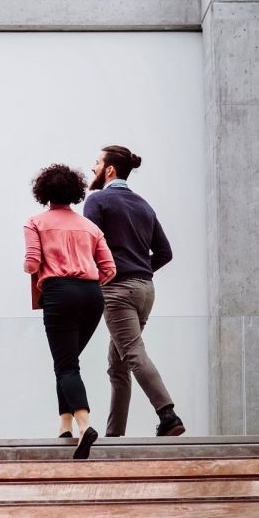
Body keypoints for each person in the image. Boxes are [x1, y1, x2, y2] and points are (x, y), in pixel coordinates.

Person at [83, 146, 184, 437]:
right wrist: (140, 268)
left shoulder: (97, 201)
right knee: (118, 365)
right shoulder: (143, 205)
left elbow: (90, 248)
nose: (93, 168)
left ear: (110, 170)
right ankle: (115, 435)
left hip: (116, 291)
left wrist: (113, 273)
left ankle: (168, 414)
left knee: (133, 353)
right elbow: (164, 252)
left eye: (97, 162)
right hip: (145, 290)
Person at [24, 164, 117, 459]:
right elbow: (110, 269)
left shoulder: (35, 223)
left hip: (59, 293)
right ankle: (64, 426)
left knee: (66, 365)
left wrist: (41, 271)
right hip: (92, 295)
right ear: (75, 192)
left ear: (43, 192)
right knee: (67, 360)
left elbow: (31, 262)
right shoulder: (91, 227)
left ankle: (84, 425)